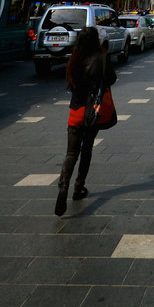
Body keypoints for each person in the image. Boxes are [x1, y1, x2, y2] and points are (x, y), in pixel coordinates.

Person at [55, 27, 116, 217]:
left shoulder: (73, 59)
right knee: (86, 149)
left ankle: (62, 187)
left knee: (71, 152)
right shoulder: (101, 57)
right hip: (92, 112)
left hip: (75, 110)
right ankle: (79, 187)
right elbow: (111, 79)